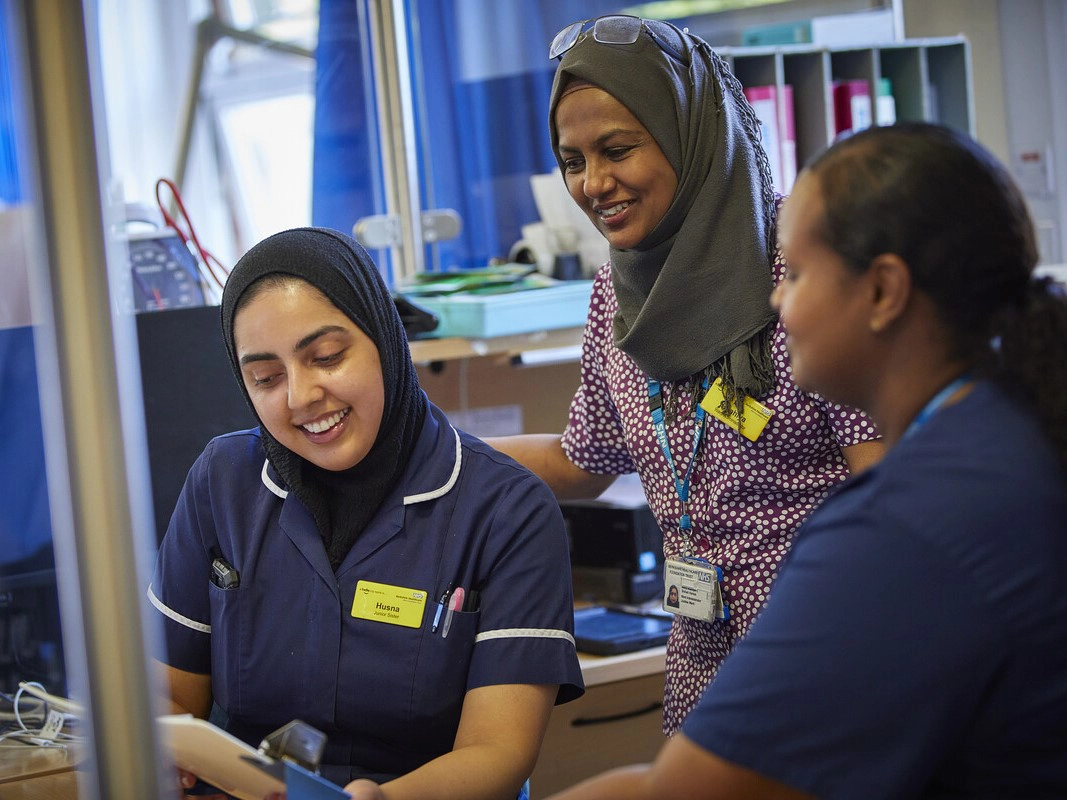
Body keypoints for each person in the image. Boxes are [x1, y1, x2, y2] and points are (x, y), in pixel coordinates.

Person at [545, 122, 1067, 799]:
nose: (775, 301)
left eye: (793, 273)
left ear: (882, 291)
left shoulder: (902, 527)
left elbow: (683, 793)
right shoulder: (1010, 435)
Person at [488, 15, 882, 734]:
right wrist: (424, 455)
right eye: (572, 160)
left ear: (686, 135)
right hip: (703, 655)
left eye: (616, 150)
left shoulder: (800, 259)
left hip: (830, 650)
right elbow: (583, 462)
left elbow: (889, 480)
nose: (593, 184)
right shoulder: (617, 294)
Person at [147, 227, 584, 800]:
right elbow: (171, 696)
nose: (301, 396)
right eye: (266, 378)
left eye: (326, 357)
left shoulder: (507, 510)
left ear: (383, 337)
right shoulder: (222, 481)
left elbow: (498, 753)